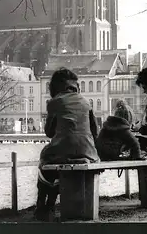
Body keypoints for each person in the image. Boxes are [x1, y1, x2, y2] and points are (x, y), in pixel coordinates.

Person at [35, 68, 99, 221]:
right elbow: (95, 131)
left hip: (63, 151)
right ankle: (50, 202)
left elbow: (49, 132)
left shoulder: (54, 102)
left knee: (45, 159)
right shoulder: (85, 101)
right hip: (88, 153)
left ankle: (43, 204)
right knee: (58, 160)